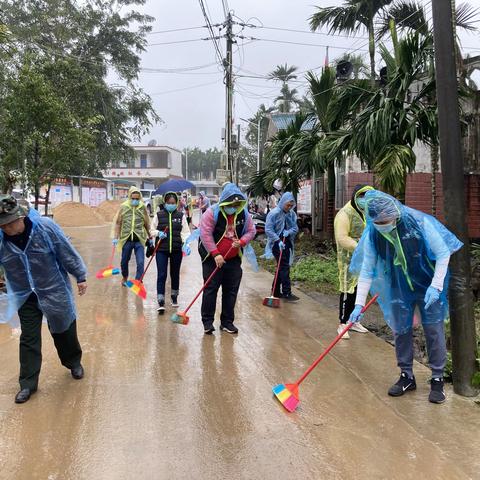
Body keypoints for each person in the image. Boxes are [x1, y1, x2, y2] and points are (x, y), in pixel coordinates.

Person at [349, 190, 463, 404]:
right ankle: (406, 376)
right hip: (399, 287)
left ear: (395, 213)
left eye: (385, 221)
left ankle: (437, 378)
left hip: (428, 285)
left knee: (433, 330)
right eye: (378, 222)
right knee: (401, 330)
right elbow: (367, 270)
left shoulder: (419, 223)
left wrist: (436, 287)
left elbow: (443, 252)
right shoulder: (374, 232)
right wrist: (358, 305)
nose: (382, 225)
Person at [0, 195, 87, 404]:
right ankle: (27, 384)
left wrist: (80, 276)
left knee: (63, 328)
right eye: (3, 225)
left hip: (53, 289)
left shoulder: (45, 228)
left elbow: (66, 253)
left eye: (11, 223)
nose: (8, 228)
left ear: (22, 216)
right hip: (24, 293)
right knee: (28, 337)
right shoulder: (1, 238)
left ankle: (73, 362)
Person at [197, 183, 256, 335]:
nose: (234, 207)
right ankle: (208, 322)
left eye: (237, 204)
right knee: (211, 289)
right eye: (231, 204)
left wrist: (242, 241)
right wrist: (216, 254)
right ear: (224, 201)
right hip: (212, 258)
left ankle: (227, 322)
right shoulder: (212, 213)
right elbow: (205, 234)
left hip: (233, 259)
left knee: (231, 291)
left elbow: (251, 231)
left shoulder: (243, 214)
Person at [334, 184, 374, 339]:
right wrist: (359, 249)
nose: (365, 200)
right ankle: (343, 323)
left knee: (359, 289)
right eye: (362, 196)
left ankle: (354, 321)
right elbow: (342, 238)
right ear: (355, 197)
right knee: (347, 290)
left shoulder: (365, 212)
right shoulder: (345, 214)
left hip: (364, 258)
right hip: (348, 260)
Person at [151, 192, 190, 314]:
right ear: (165, 203)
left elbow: (186, 232)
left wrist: (186, 243)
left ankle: (174, 297)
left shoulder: (181, 216)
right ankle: (161, 300)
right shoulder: (159, 215)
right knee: (162, 274)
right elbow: (151, 229)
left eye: (173, 203)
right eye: (169, 203)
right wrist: (158, 233)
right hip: (161, 249)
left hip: (176, 249)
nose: (171, 205)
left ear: (176, 203)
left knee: (175, 273)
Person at [264, 192, 299, 302]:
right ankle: (287, 292)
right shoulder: (274, 213)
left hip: (286, 241)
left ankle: (275, 292)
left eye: (291, 206)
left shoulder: (291, 214)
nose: (289, 207)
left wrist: (289, 232)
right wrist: (278, 240)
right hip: (277, 243)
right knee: (284, 266)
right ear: (283, 202)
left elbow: (295, 228)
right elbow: (268, 229)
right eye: (287, 205)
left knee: (281, 267)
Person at [112, 186, 151, 285]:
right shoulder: (124, 206)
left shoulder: (142, 207)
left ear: (140, 198)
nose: (135, 200)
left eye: (137, 199)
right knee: (124, 261)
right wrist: (115, 237)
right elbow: (118, 223)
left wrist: (150, 236)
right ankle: (125, 277)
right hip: (126, 239)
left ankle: (138, 281)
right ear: (129, 197)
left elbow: (146, 222)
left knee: (141, 262)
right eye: (133, 198)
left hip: (139, 239)